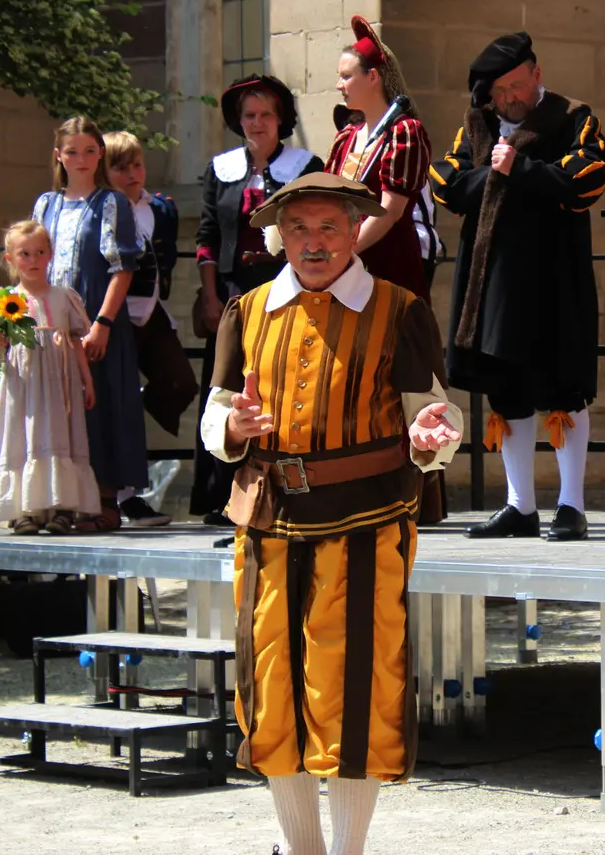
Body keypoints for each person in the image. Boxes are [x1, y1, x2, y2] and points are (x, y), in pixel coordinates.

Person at [200, 173, 460, 855]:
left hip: (367, 520)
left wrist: (433, 436)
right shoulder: (247, 311)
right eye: (298, 229)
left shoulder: (399, 309)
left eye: (328, 229)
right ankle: (301, 849)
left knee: (356, 693)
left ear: (353, 233)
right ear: (279, 237)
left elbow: (435, 414)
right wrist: (233, 428)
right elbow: (215, 416)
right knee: (272, 691)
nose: (313, 244)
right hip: (268, 520)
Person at [431, 31, 605, 542]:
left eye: (516, 85)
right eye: (500, 90)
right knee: (507, 388)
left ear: (536, 74)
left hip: (554, 273)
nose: (509, 97)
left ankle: (571, 506)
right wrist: (494, 173)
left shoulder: (572, 117)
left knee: (563, 385)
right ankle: (519, 506)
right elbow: (447, 183)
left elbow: (586, 179)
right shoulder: (478, 125)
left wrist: (521, 169)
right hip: (492, 278)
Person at [328, 14, 449, 526]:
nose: (339, 84)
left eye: (346, 76)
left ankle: (410, 490)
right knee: (349, 373)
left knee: (399, 372)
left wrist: (344, 252)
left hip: (388, 265)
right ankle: (351, 484)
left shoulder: (404, 132)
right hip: (346, 268)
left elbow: (392, 208)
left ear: (373, 77)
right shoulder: (347, 138)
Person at [190, 74, 325, 526]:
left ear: (281, 119)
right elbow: (207, 237)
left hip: (287, 292)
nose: (257, 122)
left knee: (282, 383)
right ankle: (223, 494)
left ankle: (283, 488)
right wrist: (211, 296)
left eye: (266, 114)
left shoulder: (306, 165)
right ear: (239, 120)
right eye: (249, 115)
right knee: (226, 386)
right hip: (232, 295)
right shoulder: (220, 169)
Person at [31, 115, 147, 533]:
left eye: (90, 150)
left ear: (100, 154)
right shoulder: (46, 204)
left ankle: (104, 502)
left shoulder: (111, 203)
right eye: (72, 151)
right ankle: (59, 501)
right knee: (57, 410)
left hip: (96, 317)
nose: (81, 159)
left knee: (100, 405)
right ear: (59, 156)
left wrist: (102, 323)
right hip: (53, 324)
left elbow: (123, 268)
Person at [0, 220, 99, 535]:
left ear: (50, 254)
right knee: (23, 434)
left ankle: (62, 507)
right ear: (10, 259)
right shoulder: (5, 301)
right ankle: (22, 510)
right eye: (25, 254)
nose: (33, 260)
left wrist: (86, 379)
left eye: (39, 252)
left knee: (60, 434)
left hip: (59, 379)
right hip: (25, 380)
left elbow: (75, 341)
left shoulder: (63, 296)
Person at [104, 129, 198, 527]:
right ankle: (125, 497)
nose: (132, 174)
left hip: (152, 312)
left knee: (181, 382)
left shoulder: (161, 207)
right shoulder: (101, 209)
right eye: (121, 168)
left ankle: (136, 400)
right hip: (115, 315)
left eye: (137, 165)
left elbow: (165, 260)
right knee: (118, 409)